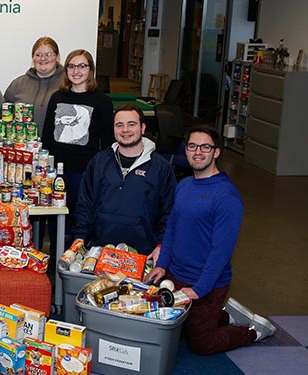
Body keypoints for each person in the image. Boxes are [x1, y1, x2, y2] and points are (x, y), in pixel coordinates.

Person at [145, 125, 276, 355]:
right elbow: (173, 226)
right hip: (176, 274)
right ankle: (226, 315)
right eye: (192, 146)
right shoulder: (184, 185)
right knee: (171, 327)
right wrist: (162, 264)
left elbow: (221, 251)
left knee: (201, 344)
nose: (198, 152)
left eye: (205, 147)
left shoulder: (226, 196)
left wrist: (199, 289)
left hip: (207, 282)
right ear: (186, 150)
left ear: (216, 152)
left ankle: (254, 331)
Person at [73, 104, 176, 262]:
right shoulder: (99, 162)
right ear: (113, 129)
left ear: (143, 128)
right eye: (119, 125)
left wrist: (161, 245)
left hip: (143, 255)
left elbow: (169, 211)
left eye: (131, 124)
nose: (125, 130)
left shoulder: (161, 167)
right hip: (99, 253)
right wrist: (80, 237)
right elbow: (84, 204)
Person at [42, 49, 114, 210]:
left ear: (90, 69)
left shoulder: (102, 101)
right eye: (71, 66)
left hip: (85, 171)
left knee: (81, 214)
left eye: (82, 66)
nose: (76, 71)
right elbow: (47, 135)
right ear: (66, 70)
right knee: (56, 214)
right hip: (57, 170)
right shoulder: (57, 97)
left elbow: (108, 141)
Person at [4, 37, 64, 134]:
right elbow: (4, 116)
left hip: (57, 147)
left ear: (57, 57)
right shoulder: (17, 84)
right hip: (22, 146)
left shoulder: (67, 84)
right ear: (33, 58)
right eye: (38, 55)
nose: (43, 58)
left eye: (48, 54)